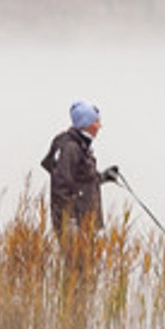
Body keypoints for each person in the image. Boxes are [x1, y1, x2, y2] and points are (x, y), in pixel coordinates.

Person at [40, 100, 122, 236]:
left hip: (85, 223)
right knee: (78, 258)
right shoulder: (71, 148)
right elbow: (61, 187)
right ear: (86, 124)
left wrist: (103, 177)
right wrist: (70, 221)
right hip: (75, 225)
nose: (100, 126)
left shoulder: (81, 145)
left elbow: (81, 180)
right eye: (96, 122)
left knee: (88, 257)